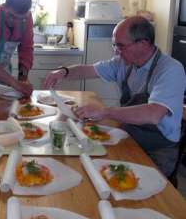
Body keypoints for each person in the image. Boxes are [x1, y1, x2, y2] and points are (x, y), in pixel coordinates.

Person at [43, 16, 186, 177]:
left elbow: (153, 114)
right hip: (127, 137)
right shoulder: (123, 63)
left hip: (157, 151)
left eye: (120, 46)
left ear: (143, 44)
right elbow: (88, 70)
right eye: (114, 45)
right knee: (83, 168)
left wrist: (105, 112)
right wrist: (63, 72)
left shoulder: (170, 70)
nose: (115, 51)